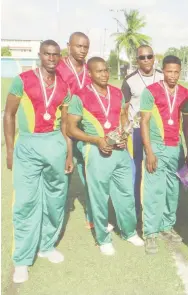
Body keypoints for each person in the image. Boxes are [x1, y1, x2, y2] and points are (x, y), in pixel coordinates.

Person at [3, 40, 74, 283]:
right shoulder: (22, 80)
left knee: (55, 199)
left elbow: (65, 125)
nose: (52, 58)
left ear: (60, 56)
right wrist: (11, 150)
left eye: (55, 55)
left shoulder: (64, 86)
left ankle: (47, 245)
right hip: (29, 145)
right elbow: (9, 114)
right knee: (25, 202)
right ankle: (22, 259)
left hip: (55, 143)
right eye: (47, 54)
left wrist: (68, 152)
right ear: (40, 54)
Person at [67, 57, 144, 255]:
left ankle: (129, 232)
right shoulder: (80, 96)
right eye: (99, 71)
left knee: (126, 193)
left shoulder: (117, 93)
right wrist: (96, 140)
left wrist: (124, 136)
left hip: (119, 151)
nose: (104, 74)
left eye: (106, 70)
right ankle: (103, 238)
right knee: (99, 197)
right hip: (96, 152)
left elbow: (124, 117)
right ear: (89, 73)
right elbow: (71, 128)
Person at [139, 55, 188, 254]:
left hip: (176, 148)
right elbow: (144, 122)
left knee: (172, 190)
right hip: (157, 147)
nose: (172, 75)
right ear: (163, 71)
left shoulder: (185, 93)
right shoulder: (151, 92)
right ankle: (150, 232)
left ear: (180, 71)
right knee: (154, 190)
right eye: (169, 71)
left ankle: (167, 226)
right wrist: (149, 151)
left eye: (176, 72)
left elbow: (187, 125)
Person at [55, 32, 94, 228]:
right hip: (60, 125)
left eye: (85, 47)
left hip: (84, 126)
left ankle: (91, 214)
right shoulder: (58, 67)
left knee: (89, 171)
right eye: (78, 46)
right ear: (68, 45)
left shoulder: (89, 70)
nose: (82, 50)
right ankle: (60, 209)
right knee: (63, 170)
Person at [122, 45, 162, 219]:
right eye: (142, 57)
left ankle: (156, 209)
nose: (146, 60)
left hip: (158, 132)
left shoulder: (162, 76)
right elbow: (123, 110)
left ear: (154, 58)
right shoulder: (130, 80)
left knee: (157, 170)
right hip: (137, 131)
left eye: (149, 56)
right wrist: (124, 131)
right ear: (136, 60)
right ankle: (136, 210)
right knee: (136, 171)